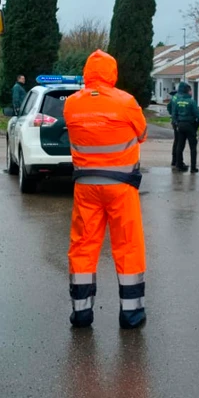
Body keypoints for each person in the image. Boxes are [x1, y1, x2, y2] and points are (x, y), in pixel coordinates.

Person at [63, 50, 148, 329]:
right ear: (113, 73)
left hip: (85, 186)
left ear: (87, 72)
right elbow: (142, 134)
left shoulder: (72, 104)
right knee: (127, 246)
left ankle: (82, 313)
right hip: (121, 186)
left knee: (83, 247)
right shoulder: (126, 102)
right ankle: (131, 313)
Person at [170, 82, 199, 173]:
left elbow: (174, 114)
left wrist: (176, 123)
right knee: (193, 147)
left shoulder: (177, 100)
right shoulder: (191, 101)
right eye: (191, 90)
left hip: (180, 125)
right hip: (190, 126)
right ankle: (193, 168)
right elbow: (197, 114)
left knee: (180, 145)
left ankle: (179, 165)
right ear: (188, 91)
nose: (191, 92)